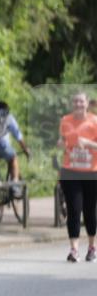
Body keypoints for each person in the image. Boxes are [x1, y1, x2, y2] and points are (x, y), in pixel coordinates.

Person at [57, 91, 97, 262]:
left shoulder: (95, 121)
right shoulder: (65, 120)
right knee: (74, 209)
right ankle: (74, 250)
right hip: (70, 170)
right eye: (75, 101)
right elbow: (62, 141)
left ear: (87, 103)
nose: (78, 104)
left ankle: (92, 247)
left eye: (81, 101)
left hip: (91, 172)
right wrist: (61, 144)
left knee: (90, 211)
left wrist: (88, 144)